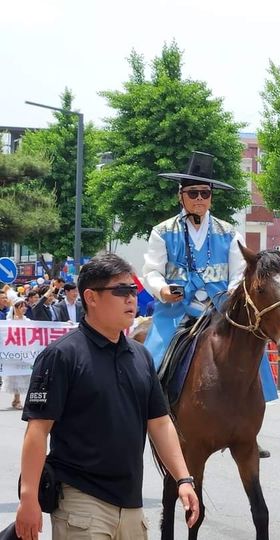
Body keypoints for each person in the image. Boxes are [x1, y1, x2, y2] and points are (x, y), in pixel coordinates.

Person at [14, 253, 199, 540]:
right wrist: (28, 498)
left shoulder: (141, 356)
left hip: (131, 506)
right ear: (91, 297)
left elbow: (160, 423)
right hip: (81, 503)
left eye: (133, 291)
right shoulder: (61, 355)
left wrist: (183, 479)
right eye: (121, 291)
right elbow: (37, 431)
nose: (131, 299)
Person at [143, 151, 245, 370]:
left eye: (205, 193)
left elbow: (239, 272)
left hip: (220, 310)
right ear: (181, 195)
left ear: (211, 197)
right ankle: (150, 398)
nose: (199, 198)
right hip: (176, 309)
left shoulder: (230, 233)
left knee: (248, 353)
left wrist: (232, 293)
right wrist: (162, 290)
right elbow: (152, 271)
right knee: (152, 363)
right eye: (193, 193)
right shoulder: (162, 232)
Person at [6, 298, 30, 410]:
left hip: (24, 351)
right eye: (21, 306)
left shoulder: (27, 320)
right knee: (15, 375)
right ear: (16, 308)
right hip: (13, 352)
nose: (24, 308)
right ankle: (17, 399)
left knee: (23, 374)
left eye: (25, 306)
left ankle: (17, 399)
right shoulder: (9, 321)